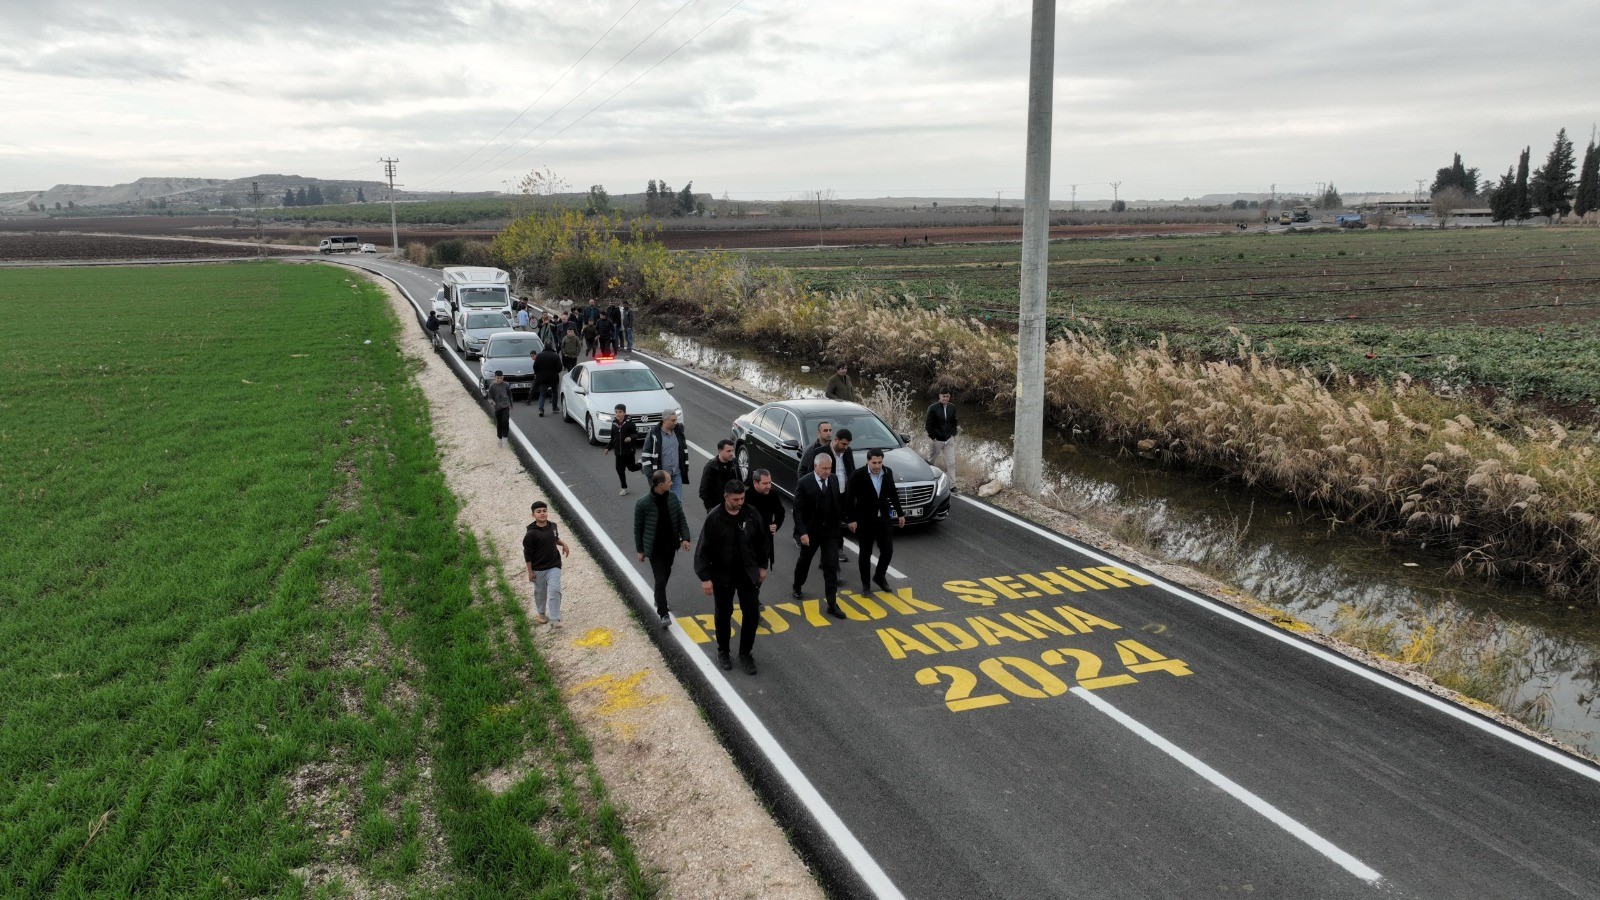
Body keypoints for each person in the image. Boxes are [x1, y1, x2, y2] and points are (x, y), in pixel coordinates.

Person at [695, 479, 767, 673]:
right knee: (723, 615)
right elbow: (703, 549)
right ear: (725, 497)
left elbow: (762, 542)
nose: (739, 502)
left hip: (747, 573)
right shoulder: (714, 518)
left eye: (742, 498)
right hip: (722, 575)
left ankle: (745, 654)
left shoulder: (751, 514)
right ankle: (723, 652)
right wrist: (705, 578)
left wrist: (762, 566)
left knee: (752, 614)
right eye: (735, 499)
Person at [634, 469, 691, 628]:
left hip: (670, 547)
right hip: (655, 549)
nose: (672, 483)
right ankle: (663, 613)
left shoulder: (673, 498)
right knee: (660, 579)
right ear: (661, 485)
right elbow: (638, 528)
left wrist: (685, 538)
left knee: (666, 574)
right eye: (669, 481)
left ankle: (659, 597)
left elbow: (681, 519)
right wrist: (640, 550)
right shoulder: (643, 504)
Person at [791, 454, 846, 619]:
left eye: (829, 468)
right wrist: (802, 532)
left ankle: (831, 604)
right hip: (811, 532)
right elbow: (798, 510)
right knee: (805, 561)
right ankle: (797, 586)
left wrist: (846, 522)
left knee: (830, 567)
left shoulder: (834, 480)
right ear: (815, 467)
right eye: (824, 468)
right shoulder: (804, 483)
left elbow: (838, 504)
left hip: (830, 532)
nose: (827, 472)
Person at [846, 448, 905, 592]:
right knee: (865, 554)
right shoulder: (858, 475)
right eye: (874, 463)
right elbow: (849, 498)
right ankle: (865, 584)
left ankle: (879, 576)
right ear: (868, 461)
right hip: (864, 521)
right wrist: (851, 519)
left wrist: (900, 513)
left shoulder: (887, 472)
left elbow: (893, 493)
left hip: (883, 519)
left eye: (879, 462)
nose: (877, 466)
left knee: (888, 551)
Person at [524, 500, 571, 627]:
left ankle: (555, 619)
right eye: (538, 512)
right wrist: (529, 572)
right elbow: (527, 555)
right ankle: (541, 613)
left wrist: (564, 544)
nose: (542, 513)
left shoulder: (553, 526)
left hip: (554, 565)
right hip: (538, 568)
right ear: (533, 515)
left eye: (544, 511)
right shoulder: (531, 534)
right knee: (540, 592)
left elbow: (554, 539)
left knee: (555, 590)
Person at [641, 411, 690, 500]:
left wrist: (685, 467)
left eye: (676, 420)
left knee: (677, 502)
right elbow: (645, 455)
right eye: (673, 420)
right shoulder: (653, 434)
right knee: (662, 502)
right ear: (664, 420)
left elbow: (683, 451)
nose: (675, 422)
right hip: (661, 478)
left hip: (676, 474)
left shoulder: (678, 431)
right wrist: (650, 474)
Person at [604, 403, 641, 494]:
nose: (618, 414)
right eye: (616, 412)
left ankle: (641, 464)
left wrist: (630, 437)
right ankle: (624, 488)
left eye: (620, 412)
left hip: (629, 452)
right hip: (618, 452)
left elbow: (636, 434)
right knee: (619, 470)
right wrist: (608, 448)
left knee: (631, 468)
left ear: (624, 413)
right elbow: (613, 438)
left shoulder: (630, 423)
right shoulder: (614, 423)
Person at [698, 439, 740, 511]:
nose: (732, 454)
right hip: (717, 508)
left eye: (732, 450)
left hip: (733, 506)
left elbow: (740, 483)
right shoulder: (711, 467)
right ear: (720, 451)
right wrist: (711, 508)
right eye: (728, 451)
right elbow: (703, 491)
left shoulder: (734, 463)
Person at [925, 389, 959, 475]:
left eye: (947, 396)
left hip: (948, 440)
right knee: (931, 462)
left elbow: (954, 422)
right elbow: (928, 425)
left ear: (949, 397)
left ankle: (952, 486)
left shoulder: (952, 407)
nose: (945, 398)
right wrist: (933, 438)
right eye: (943, 396)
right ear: (940, 396)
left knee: (951, 464)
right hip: (937, 440)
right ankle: (929, 479)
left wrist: (953, 434)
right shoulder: (932, 408)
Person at [533, 344, 563, 415]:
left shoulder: (539, 356)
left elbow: (535, 366)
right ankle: (554, 408)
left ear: (544, 347)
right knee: (554, 392)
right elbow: (560, 367)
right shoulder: (555, 355)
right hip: (553, 378)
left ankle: (541, 409)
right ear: (551, 347)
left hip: (543, 378)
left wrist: (538, 374)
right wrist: (555, 372)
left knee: (542, 394)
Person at [487, 370, 513, 444]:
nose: (499, 380)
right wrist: (493, 402)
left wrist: (511, 404)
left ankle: (505, 436)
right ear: (495, 377)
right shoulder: (492, 386)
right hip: (497, 408)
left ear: (503, 377)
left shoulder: (506, 385)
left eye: (501, 378)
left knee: (505, 421)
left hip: (505, 406)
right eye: (498, 378)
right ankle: (500, 437)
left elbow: (510, 394)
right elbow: (489, 397)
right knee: (499, 423)